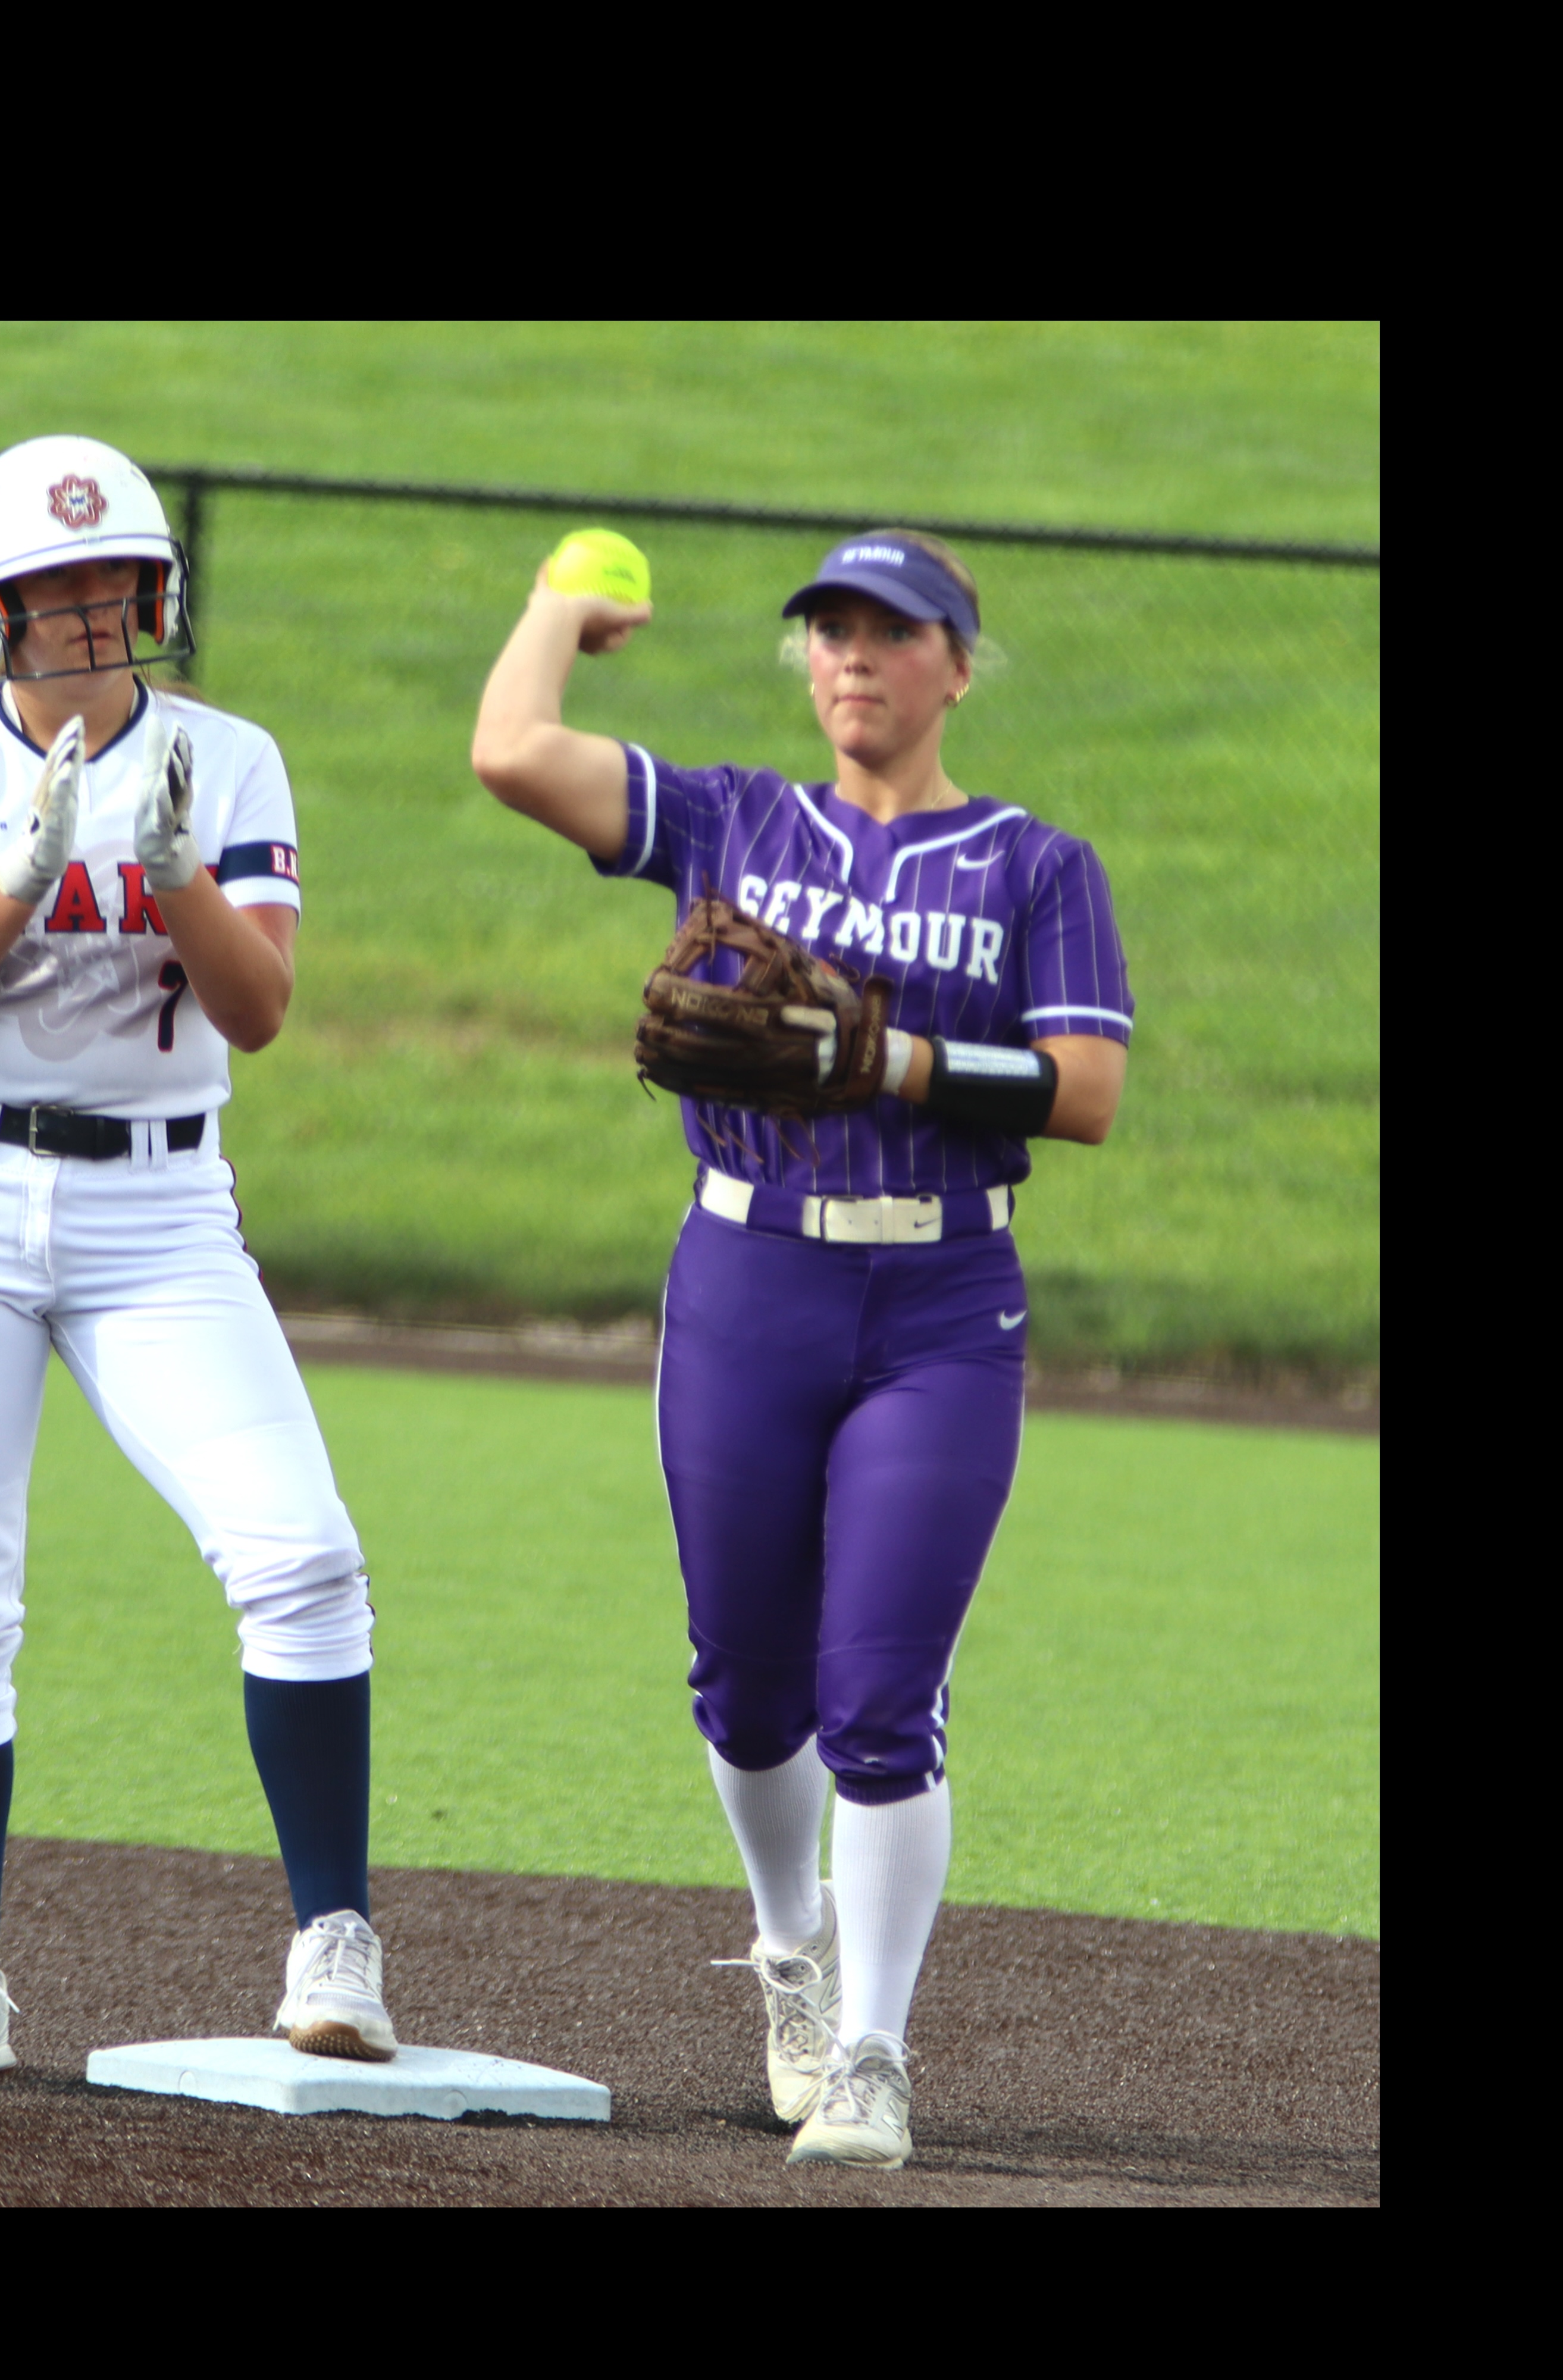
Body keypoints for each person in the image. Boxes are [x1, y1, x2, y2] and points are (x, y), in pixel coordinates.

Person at [469, 528, 1130, 2169]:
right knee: (748, 1685)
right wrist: (559, 609)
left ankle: (874, 2055)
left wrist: (894, 1062)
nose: (854, 657)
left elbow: (1086, 1090)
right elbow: (513, 752)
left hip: (941, 1306)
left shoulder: (1035, 866)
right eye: (830, 630)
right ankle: (791, 1951)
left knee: (882, 1700)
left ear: (956, 666)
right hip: (747, 1280)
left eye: (891, 633)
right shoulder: (735, 822)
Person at [0, 435, 391, 2078]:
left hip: (158, 1207)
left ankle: (337, 1940)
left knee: (302, 1554)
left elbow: (258, 1010)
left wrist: (172, 870)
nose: (87, 610)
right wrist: (23, 874)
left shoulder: (230, 757)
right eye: (51, 586)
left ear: (157, 590)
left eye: (112, 580)